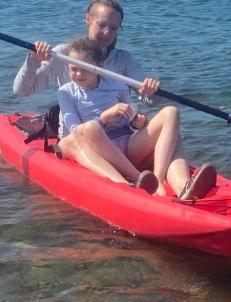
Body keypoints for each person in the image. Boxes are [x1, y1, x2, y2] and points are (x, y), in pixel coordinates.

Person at [56, 37, 216, 200]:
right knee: (92, 127)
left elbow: (131, 116)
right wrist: (104, 117)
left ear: (99, 66)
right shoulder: (66, 92)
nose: (78, 74)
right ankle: (136, 179)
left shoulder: (117, 85)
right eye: (73, 69)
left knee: (171, 114)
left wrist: (138, 121)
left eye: (84, 69)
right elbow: (74, 130)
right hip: (97, 151)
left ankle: (174, 184)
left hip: (126, 147)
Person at [12, 0, 160, 101]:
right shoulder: (63, 54)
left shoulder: (125, 60)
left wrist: (152, 92)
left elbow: (149, 101)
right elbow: (22, 91)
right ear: (88, 19)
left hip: (116, 128)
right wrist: (34, 61)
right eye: (101, 25)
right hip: (80, 129)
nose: (107, 32)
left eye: (113, 28)